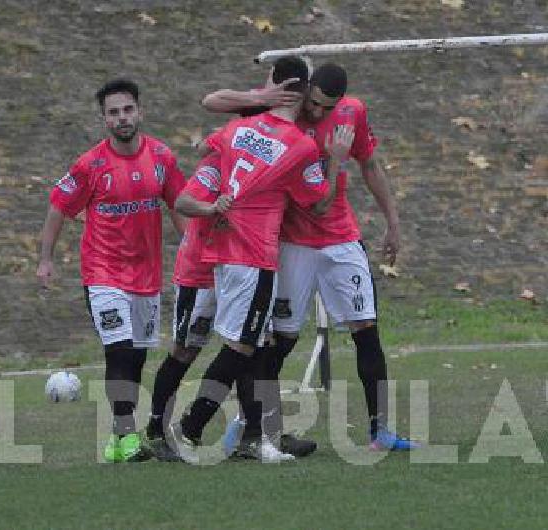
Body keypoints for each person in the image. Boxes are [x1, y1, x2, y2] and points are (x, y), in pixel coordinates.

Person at [203, 62, 420, 451]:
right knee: (279, 342)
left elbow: (369, 164)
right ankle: (250, 425)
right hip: (293, 244)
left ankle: (380, 432)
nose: (318, 113)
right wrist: (261, 97)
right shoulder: (282, 109)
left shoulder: (352, 112)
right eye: (314, 104)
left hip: (341, 239)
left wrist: (393, 221)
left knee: (366, 330)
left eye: (327, 107)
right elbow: (212, 101)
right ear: (305, 92)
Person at [167, 56, 336, 463]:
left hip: (223, 253)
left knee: (252, 343)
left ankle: (258, 439)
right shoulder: (300, 145)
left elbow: (210, 143)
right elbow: (318, 204)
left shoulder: (238, 127)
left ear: (276, 86)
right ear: (302, 93)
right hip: (255, 254)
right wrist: (337, 161)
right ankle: (188, 428)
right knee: (241, 346)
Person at [36, 78, 187, 463]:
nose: (122, 118)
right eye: (113, 113)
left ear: (140, 111)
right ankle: (129, 436)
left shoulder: (162, 157)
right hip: (103, 273)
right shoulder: (90, 165)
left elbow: (179, 204)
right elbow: (58, 208)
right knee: (118, 350)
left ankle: (117, 442)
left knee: (135, 358)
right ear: (104, 119)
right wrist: (46, 259)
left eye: (127, 110)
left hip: (147, 276)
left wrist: (192, 246)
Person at [143, 152, 226, 461]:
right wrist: (213, 207)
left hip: (238, 269)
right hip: (200, 273)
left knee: (247, 347)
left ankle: (254, 430)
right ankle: (155, 430)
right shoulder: (216, 164)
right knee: (185, 350)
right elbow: (183, 202)